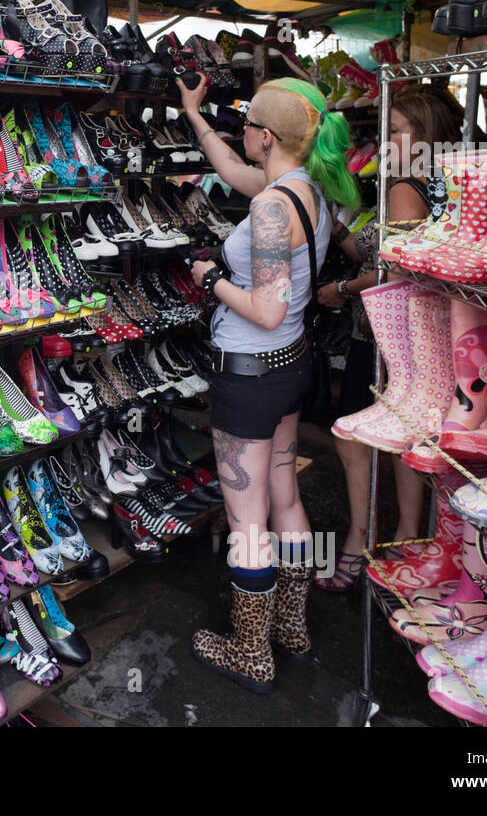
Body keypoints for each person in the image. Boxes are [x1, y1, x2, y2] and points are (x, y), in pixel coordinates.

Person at [177, 73, 359, 693]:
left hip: (251, 376)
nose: (242, 134)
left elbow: (268, 308)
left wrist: (208, 279)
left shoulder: (272, 207)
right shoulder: (307, 188)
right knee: (286, 500)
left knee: (248, 520)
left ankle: (250, 652)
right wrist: (195, 116)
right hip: (290, 370)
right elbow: (232, 170)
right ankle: (293, 627)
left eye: (246, 125)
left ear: (266, 135)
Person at [312, 86, 467, 591]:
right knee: (410, 441)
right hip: (437, 335)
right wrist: (335, 225)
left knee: (357, 436)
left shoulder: (405, 188)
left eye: (395, 130)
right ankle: (408, 541)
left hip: (388, 334)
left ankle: (362, 544)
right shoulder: (452, 183)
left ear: (424, 135)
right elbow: (373, 253)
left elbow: (389, 275)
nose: (385, 140)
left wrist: (338, 289)